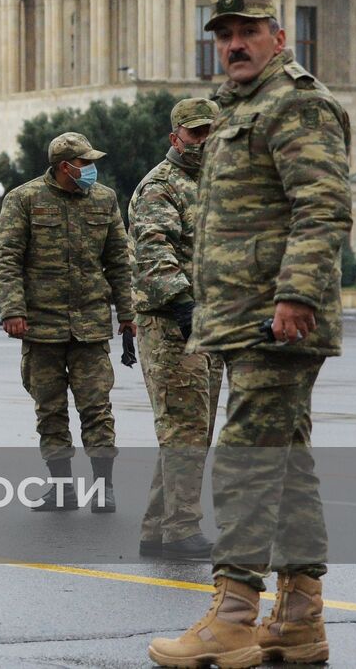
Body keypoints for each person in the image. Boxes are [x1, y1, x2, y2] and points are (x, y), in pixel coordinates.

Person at [150, 0, 351, 668]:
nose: (234, 44)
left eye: (249, 32)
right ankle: (298, 620)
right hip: (241, 319)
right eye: (225, 33)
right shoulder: (239, 108)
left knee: (243, 458)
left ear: (279, 37)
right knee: (288, 465)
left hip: (276, 320)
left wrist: (295, 295)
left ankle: (232, 617)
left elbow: (321, 208)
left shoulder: (296, 104)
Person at [0, 131, 134, 514]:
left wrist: (128, 313)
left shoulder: (104, 199)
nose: (91, 169)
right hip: (41, 326)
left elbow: (120, 260)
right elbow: (6, 259)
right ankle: (62, 489)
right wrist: (13, 310)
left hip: (90, 325)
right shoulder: (24, 199)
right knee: (50, 409)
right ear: (63, 166)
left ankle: (104, 488)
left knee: (97, 407)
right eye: (84, 163)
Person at [128, 99, 224, 562]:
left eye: (211, 132)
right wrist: (184, 305)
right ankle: (182, 528)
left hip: (211, 324)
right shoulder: (159, 187)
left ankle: (158, 530)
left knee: (192, 430)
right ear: (176, 138)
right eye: (195, 134)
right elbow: (152, 250)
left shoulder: (216, 185)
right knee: (184, 429)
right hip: (172, 323)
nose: (203, 141)